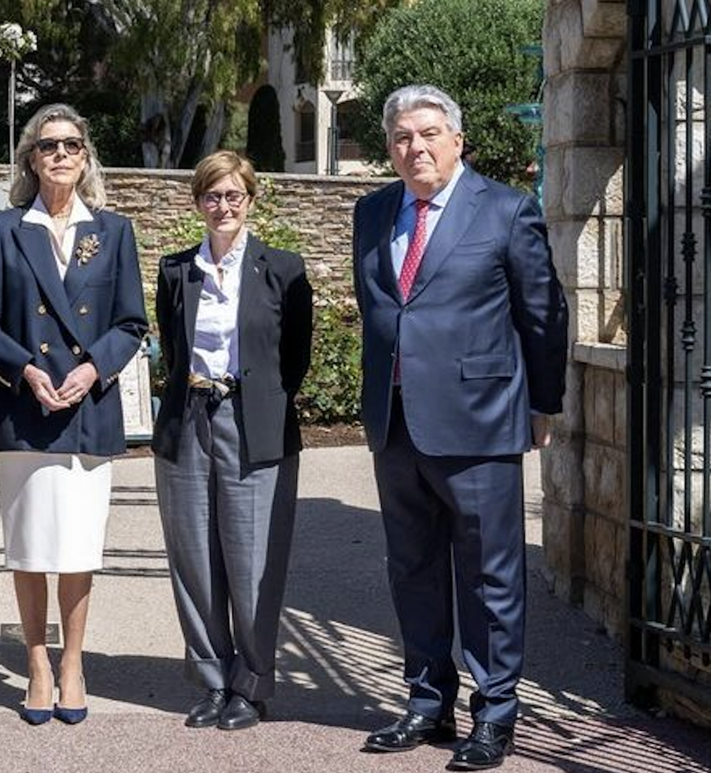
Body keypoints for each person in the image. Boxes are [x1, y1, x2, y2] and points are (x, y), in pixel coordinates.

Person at [352, 84, 568, 770]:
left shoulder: (505, 209)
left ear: (457, 139)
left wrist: (544, 404)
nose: (414, 147)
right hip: (396, 423)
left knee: (489, 576)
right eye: (400, 138)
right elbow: (385, 310)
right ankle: (425, 700)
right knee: (412, 569)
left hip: (480, 423)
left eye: (427, 133)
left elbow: (543, 312)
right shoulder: (373, 211)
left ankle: (496, 712)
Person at [0, 103, 148, 725]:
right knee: (30, 546)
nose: (61, 155)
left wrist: (94, 367)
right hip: (26, 408)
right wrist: (26, 368)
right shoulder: (3, 229)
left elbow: (132, 323)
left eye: (72, 144)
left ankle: (73, 662)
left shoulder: (114, 230)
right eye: (49, 146)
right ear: (30, 158)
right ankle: (38, 663)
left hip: (87, 409)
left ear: (86, 155)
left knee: (76, 547)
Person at [151, 150, 312, 732]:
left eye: (233, 196)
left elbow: (295, 356)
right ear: (198, 202)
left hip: (254, 422)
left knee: (251, 560)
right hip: (188, 415)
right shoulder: (176, 270)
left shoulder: (284, 269)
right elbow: (172, 348)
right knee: (194, 555)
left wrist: (260, 398)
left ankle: (251, 684)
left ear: (251, 200)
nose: (223, 207)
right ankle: (211, 681)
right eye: (212, 196)